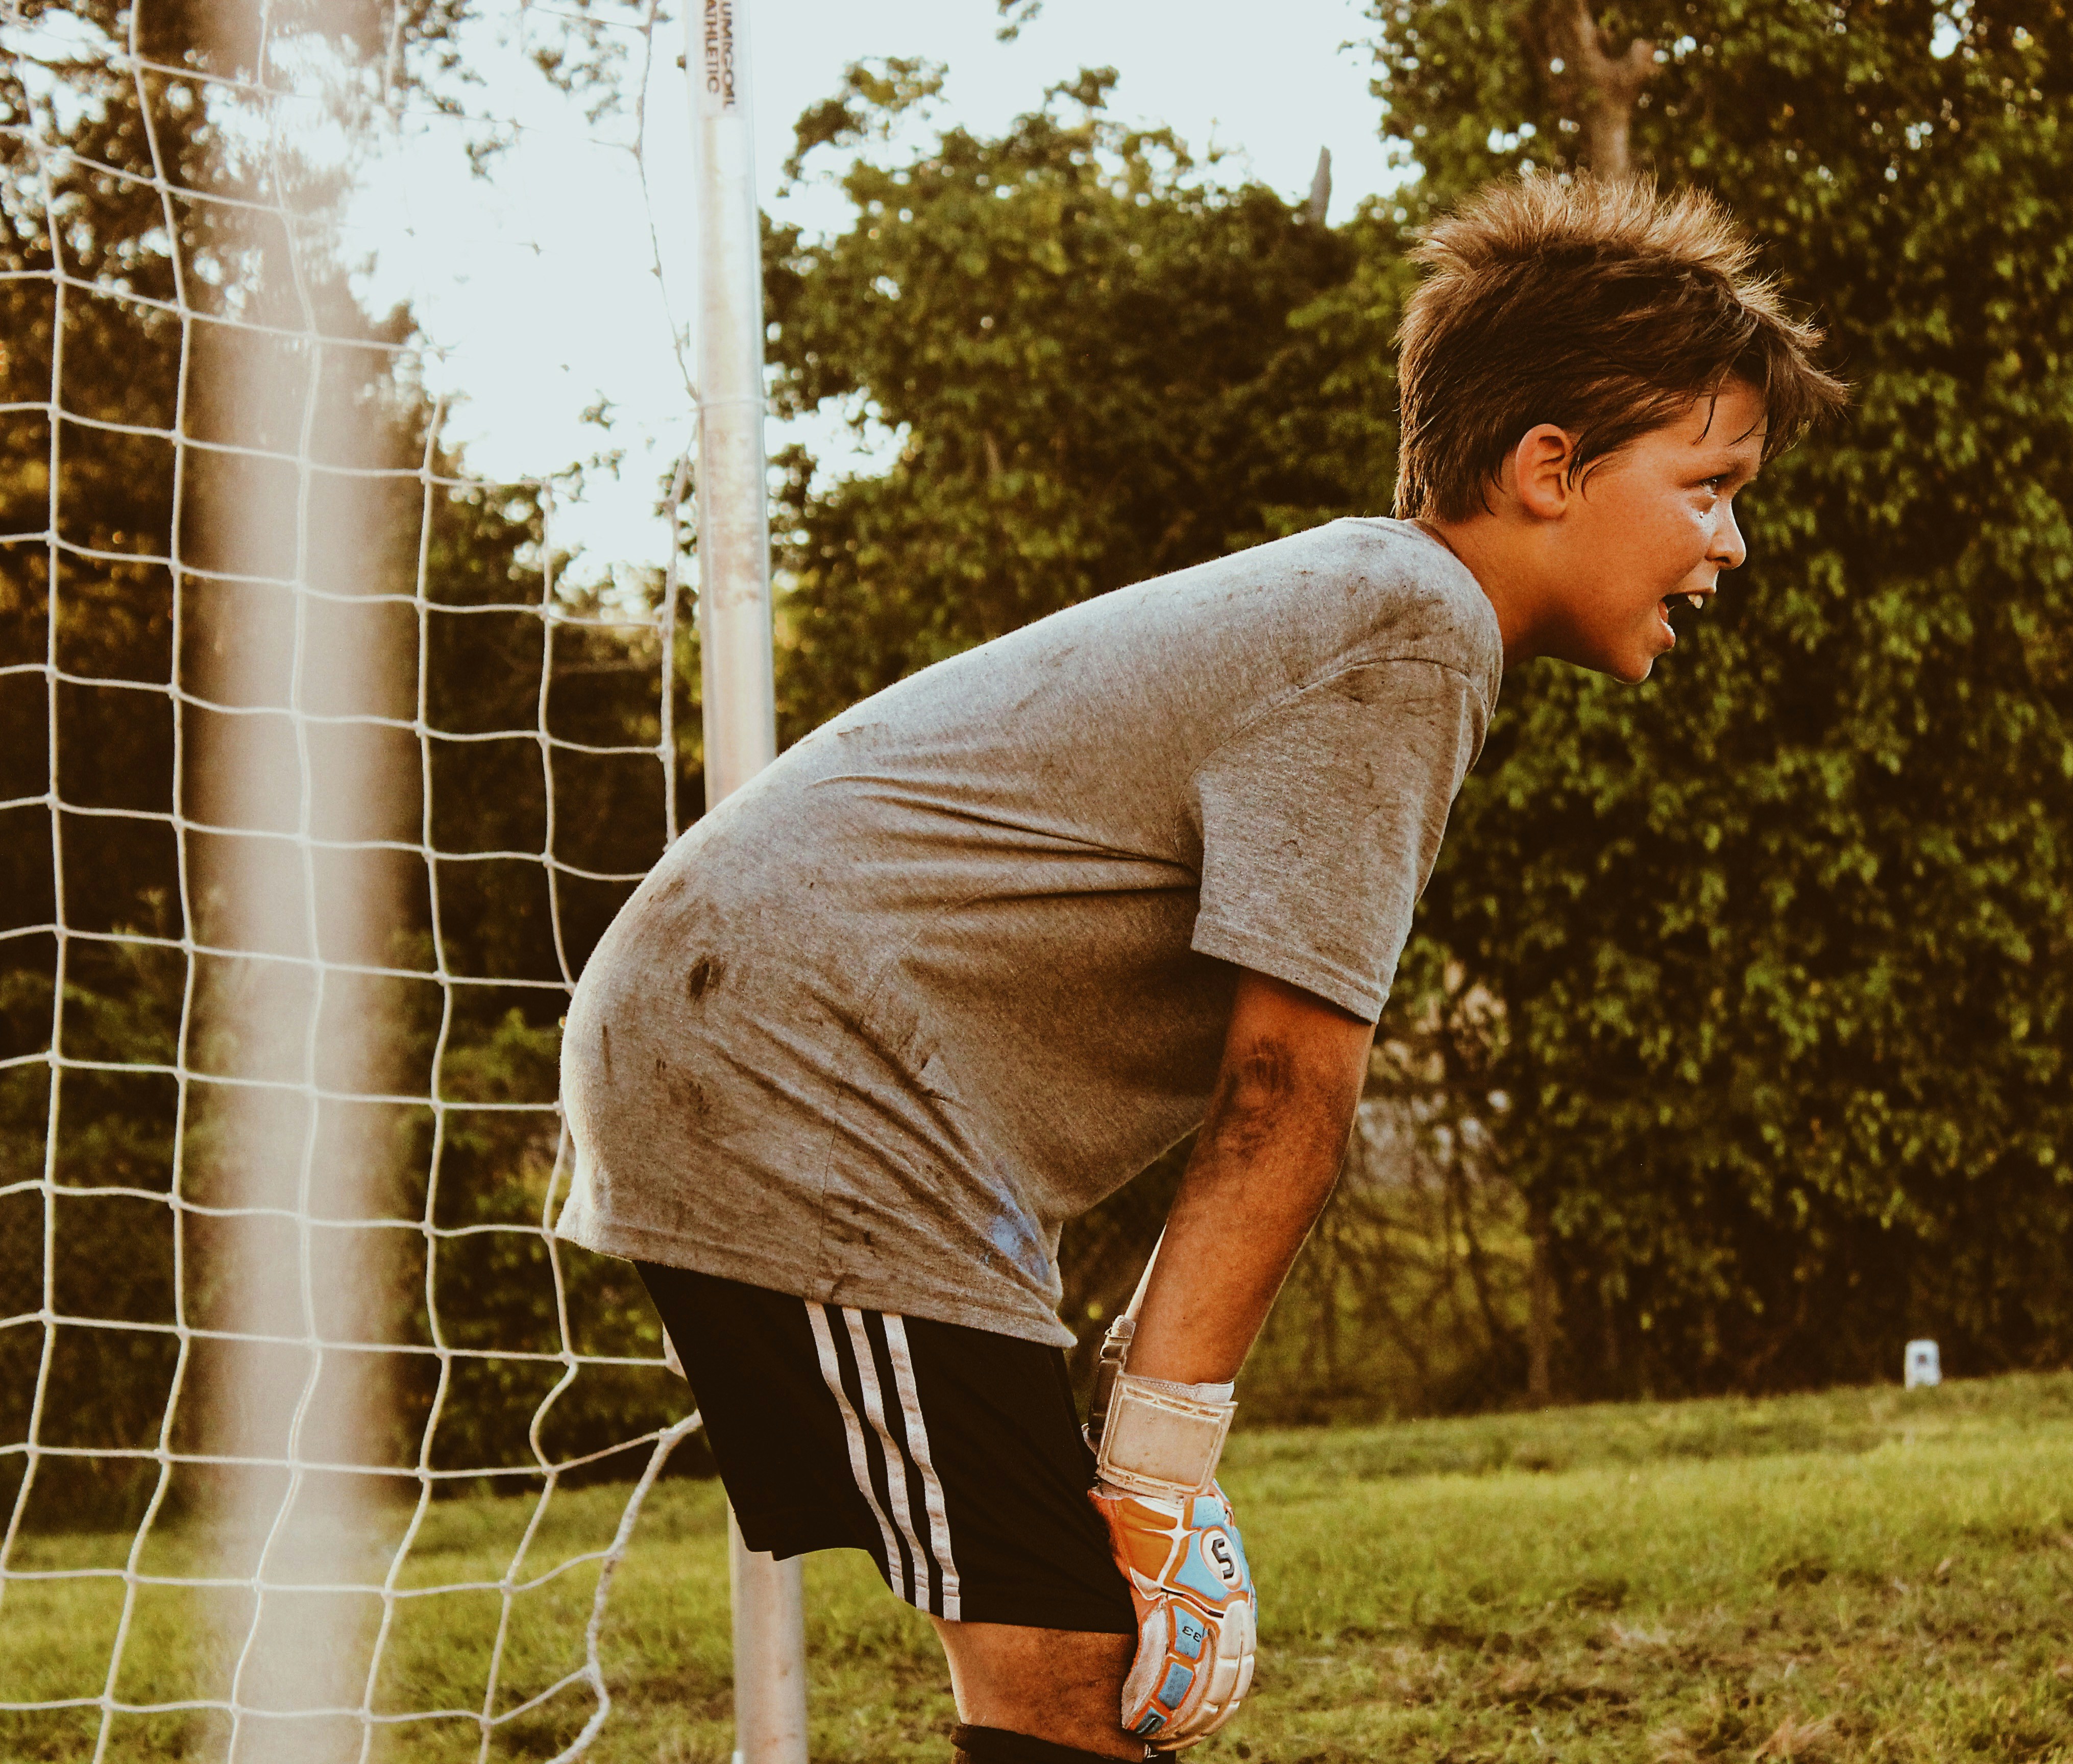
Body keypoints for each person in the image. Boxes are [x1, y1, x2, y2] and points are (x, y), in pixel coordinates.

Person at [554, 172, 1845, 1760]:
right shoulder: (1411, 626)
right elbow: (1286, 1089)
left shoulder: (1378, 607)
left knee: (1069, 1673)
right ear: (1549, 468)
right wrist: (1160, 1474)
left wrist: (1146, 1447)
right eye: (1709, 487)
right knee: (1070, 1681)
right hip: (791, 1062)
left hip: (778, 1042)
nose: (1731, 543)